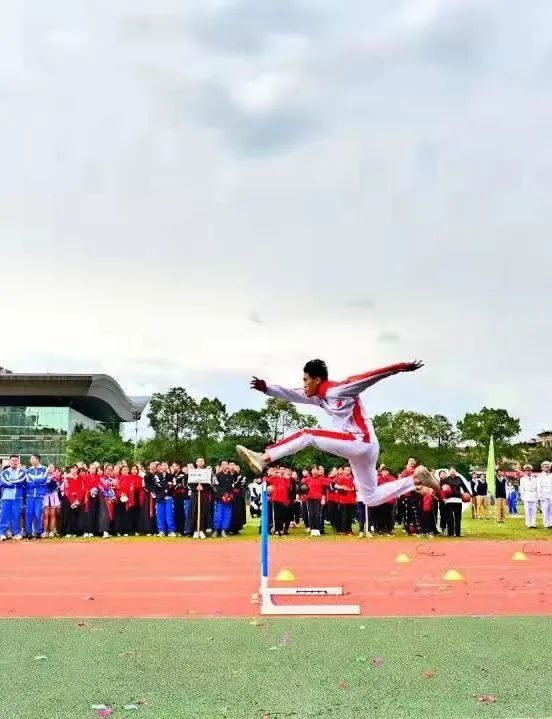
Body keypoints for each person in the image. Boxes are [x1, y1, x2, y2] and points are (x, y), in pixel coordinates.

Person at [236, 359, 439, 503]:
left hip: (360, 441)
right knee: (370, 497)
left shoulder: (341, 389)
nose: (303, 384)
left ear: (316, 380)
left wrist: (401, 367)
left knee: (308, 434)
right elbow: (291, 394)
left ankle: (264, 457)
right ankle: (416, 479)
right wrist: (266, 389)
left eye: (305, 379)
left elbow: (371, 376)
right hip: (364, 449)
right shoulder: (316, 396)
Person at [0, 455, 26, 541]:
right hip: (6, 497)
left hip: (17, 497)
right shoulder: (4, 472)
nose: (14, 462)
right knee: (4, 516)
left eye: (16, 460)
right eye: (12, 460)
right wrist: (14, 483)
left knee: (16, 515)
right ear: (9, 462)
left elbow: (21, 481)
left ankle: (16, 533)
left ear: (18, 462)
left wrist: (10, 482)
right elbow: (3, 482)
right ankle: (2, 533)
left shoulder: (22, 472)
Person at [25, 454, 50, 538]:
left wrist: (34, 481)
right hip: (30, 495)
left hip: (39, 495)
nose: (31, 460)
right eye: (30, 459)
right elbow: (27, 483)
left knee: (38, 513)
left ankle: (38, 531)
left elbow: (43, 480)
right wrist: (36, 482)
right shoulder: (28, 470)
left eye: (32, 458)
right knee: (29, 513)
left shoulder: (44, 469)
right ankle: (28, 532)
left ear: (38, 459)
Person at [213, 461, 234, 537]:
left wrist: (229, 496)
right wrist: (222, 495)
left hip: (228, 499)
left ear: (228, 466)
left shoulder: (231, 476)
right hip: (219, 498)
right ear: (221, 466)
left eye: (226, 464)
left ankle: (223, 530)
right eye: (223, 464)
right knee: (218, 514)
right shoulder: (217, 475)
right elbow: (215, 486)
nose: (225, 466)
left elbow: (232, 487)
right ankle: (216, 530)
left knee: (227, 514)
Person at [520, 464, 538, 528]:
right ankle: (528, 523)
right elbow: (522, 489)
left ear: (531, 471)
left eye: (529, 470)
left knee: (533, 510)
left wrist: (537, 496)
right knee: (527, 511)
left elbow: (537, 488)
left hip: (534, 495)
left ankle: (533, 523)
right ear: (525, 471)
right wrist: (522, 497)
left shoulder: (535, 478)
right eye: (526, 470)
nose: (528, 471)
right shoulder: (522, 479)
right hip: (527, 495)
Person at [537, 461, 552, 529]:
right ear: (542, 468)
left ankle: (551, 523)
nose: (547, 468)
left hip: (551, 495)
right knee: (545, 510)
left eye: (548, 466)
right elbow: (538, 487)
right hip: (544, 495)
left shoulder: (551, 475)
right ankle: (546, 524)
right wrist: (540, 496)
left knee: (551, 510)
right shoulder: (540, 476)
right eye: (546, 466)